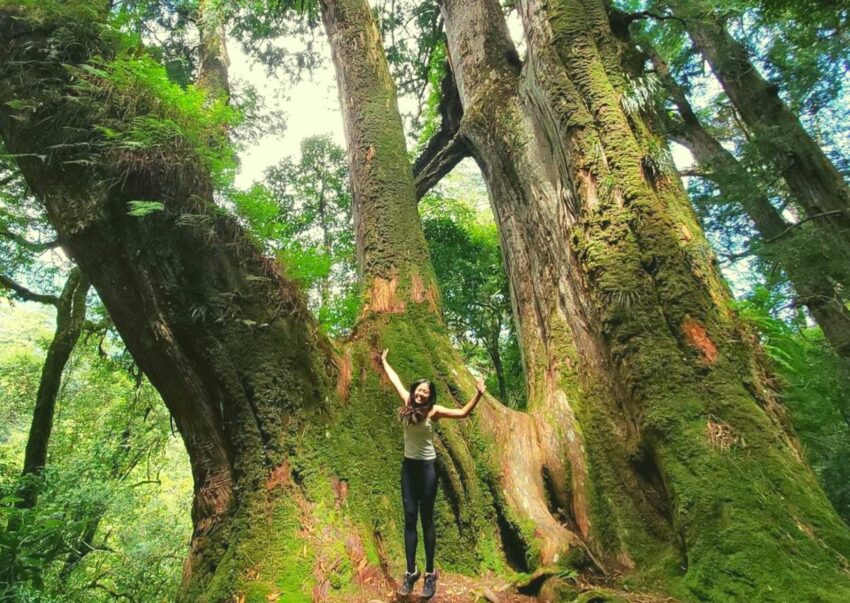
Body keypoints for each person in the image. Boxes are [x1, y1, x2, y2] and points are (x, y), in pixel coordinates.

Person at [380, 348, 486, 598]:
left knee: (426, 519)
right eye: (419, 389)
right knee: (409, 517)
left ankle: (430, 574)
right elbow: (395, 379)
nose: (420, 393)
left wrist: (478, 394)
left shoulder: (434, 411)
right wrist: (385, 361)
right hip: (408, 468)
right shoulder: (407, 402)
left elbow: (462, 413)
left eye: (425, 391)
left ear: (429, 395)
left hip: (428, 469)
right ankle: (410, 572)